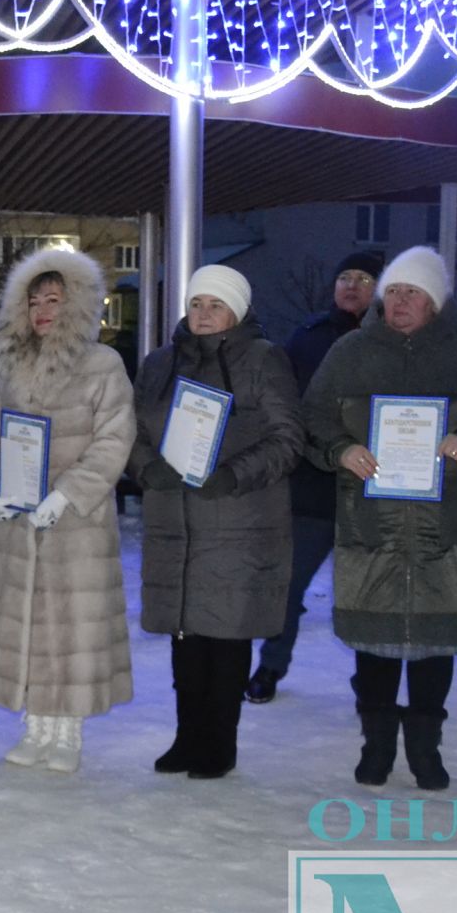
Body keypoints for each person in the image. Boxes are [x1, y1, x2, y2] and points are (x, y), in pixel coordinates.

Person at [302, 245, 457, 790]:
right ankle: (376, 745)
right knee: (374, 645)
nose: (400, 302)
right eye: (393, 291)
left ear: (436, 303)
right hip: (368, 524)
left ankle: (426, 748)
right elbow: (311, 418)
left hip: (445, 530)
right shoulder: (350, 352)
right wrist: (340, 451)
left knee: (432, 644)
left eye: (413, 293)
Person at [127, 265, 303, 779]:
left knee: (226, 634)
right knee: (186, 631)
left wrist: (233, 475)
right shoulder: (160, 363)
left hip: (238, 519)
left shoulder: (263, 360)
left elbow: (288, 438)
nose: (203, 315)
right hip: (175, 517)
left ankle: (218, 742)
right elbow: (129, 429)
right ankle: (187, 736)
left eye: (216, 305)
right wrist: (145, 466)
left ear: (238, 311)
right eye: (197, 304)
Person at [0, 249, 137, 772]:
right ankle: (36, 725)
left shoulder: (102, 364)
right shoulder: (12, 370)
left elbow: (114, 439)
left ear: (77, 305)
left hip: (77, 526)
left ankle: (68, 733)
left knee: (72, 628)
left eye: (54, 300)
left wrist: (67, 493)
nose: (42, 310)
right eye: (34, 300)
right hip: (19, 523)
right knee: (30, 626)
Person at [245, 250, 380, 703]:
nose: (352, 285)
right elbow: (277, 402)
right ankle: (270, 667)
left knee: (367, 594)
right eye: (345, 276)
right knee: (287, 585)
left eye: (364, 278)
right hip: (312, 488)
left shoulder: (397, 343)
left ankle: (370, 680)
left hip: (374, 492)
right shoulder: (307, 337)